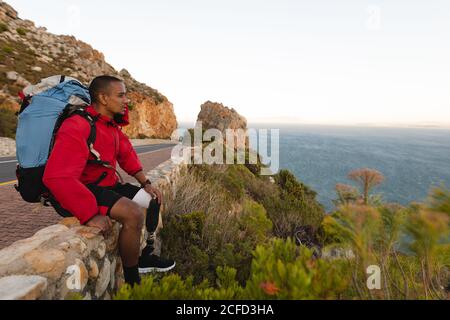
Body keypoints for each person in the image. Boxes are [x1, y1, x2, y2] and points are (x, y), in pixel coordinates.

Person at [43, 75, 175, 286]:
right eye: (121, 95)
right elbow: (56, 176)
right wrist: (89, 214)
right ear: (103, 98)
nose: (126, 101)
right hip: (84, 189)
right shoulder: (78, 124)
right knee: (132, 214)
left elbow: (127, 156)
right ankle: (133, 281)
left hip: (107, 185)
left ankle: (145, 257)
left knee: (152, 200)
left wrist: (146, 184)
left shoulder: (110, 126)